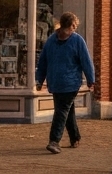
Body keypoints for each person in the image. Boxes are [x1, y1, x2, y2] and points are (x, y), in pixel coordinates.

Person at [35, 12, 96, 154]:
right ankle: (72, 138)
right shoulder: (59, 41)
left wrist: (91, 79)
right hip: (58, 82)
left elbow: (86, 62)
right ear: (71, 25)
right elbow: (43, 61)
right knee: (66, 111)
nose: (75, 28)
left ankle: (55, 140)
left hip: (68, 83)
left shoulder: (71, 40)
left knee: (62, 110)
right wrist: (40, 79)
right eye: (74, 25)